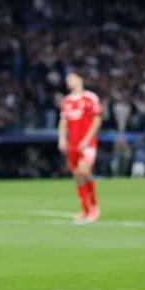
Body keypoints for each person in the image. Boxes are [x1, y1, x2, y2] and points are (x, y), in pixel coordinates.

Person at [58, 72, 102, 223]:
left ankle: (94, 206)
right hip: (73, 143)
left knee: (84, 170)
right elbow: (63, 122)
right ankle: (85, 209)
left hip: (88, 143)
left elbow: (97, 120)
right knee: (77, 175)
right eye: (67, 79)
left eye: (71, 78)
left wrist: (87, 139)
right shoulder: (67, 101)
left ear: (80, 79)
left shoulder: (91, 98)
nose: (68, 81)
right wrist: (62, 138)